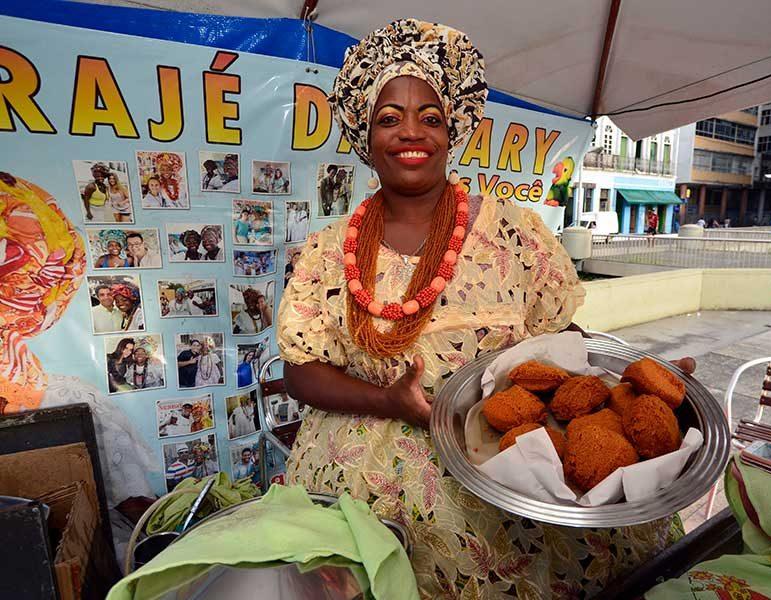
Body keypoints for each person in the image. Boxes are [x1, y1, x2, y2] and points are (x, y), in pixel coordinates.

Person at [277, 20, 691, 597]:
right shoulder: (327, 249)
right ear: (364, 137)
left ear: (453, 132)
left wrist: (633, 386)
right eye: (389, 118)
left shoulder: (514, 232)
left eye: (430, 116)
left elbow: (559, 340)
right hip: (359, 472)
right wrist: (386, 400)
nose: (410, 131)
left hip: (503, 460)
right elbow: (300, 371)